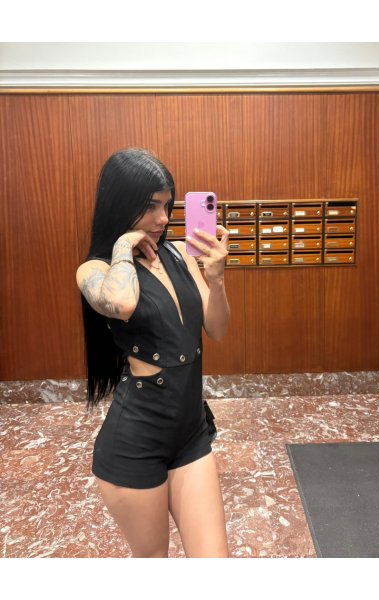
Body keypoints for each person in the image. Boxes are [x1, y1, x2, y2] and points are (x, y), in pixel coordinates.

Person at [76, 148, 231, 558]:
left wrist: (216, 280)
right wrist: (123, 247)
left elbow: (217, 330)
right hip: (135, 441)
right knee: (153, 566)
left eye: (167, 205)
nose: (163, 218)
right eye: (150, 206)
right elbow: (122, 303)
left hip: (190, 431)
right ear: (119, 205)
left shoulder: (179, 254)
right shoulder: (95, 271)